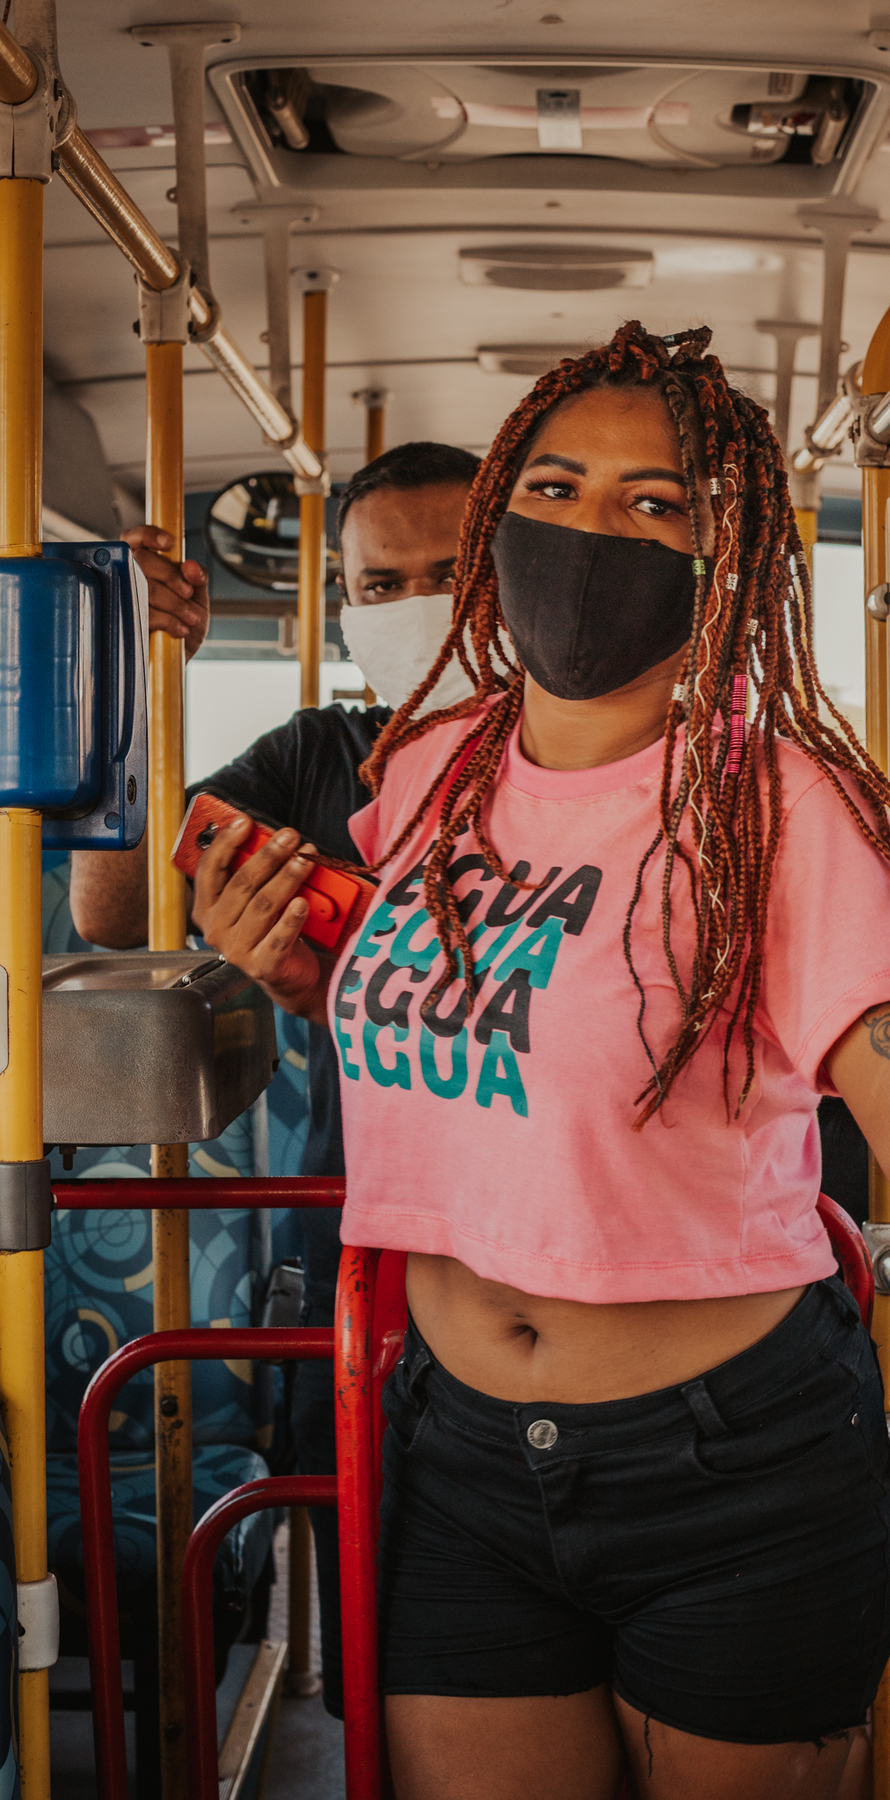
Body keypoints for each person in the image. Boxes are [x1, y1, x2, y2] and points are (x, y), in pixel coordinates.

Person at [184, 322, 890, 1800]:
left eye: (657, 505)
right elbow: (502, 1036)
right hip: (456, 1448)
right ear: (499, 516)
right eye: (558, 487)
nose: (593, 530)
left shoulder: (774, 807)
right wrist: (314, 975)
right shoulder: (426, 776)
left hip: (729, 1469)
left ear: (730, 561)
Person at [69, 439, 481, 1718]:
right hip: (371, 1239)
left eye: (453, 574)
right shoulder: (323, 758)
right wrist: (141, 676)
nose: (416, 609)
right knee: (390, 1649)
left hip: (555, 1257)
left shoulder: (608, 762)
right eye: (379, 585)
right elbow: (114, 911)